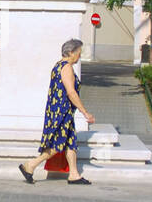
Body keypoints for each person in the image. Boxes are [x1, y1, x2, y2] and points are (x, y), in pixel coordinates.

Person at [19, 38, 96, 185]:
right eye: (78, 53)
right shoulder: (66, 67)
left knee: (70, 143)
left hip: (60, 111)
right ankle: (31, 164)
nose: (79, 56)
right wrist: (85, 112)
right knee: (58, 144)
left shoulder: (58, 66)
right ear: (70, 52)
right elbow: (71, 93)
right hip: (62, 112)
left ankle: (74, 174)